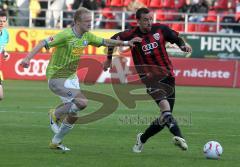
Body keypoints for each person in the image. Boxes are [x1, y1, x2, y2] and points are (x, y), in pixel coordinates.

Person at [21, 7, 142, 151]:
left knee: (74, 113)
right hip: (56, 76)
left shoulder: (87, 37)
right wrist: (27, 58)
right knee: (82, 102)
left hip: (71, 77)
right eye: (87, 21)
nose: (90, 24)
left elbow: (105, 41)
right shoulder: (65, 35)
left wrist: (126, 43)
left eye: (90, 21)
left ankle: (56, 141)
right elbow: (43, 42)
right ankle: (55, 114)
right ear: (77, 22)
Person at [104, 7, 192, 153]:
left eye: (151, 19)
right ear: (138, 21)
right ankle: (179, 137)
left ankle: (142, 139)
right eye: (145, 20)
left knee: (165, 117)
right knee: (165, 110)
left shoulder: (161, 29)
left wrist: (183, 46)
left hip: (168, 77)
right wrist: (108, 59)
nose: (149, 22)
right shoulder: (131, 34)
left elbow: (177, 39)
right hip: (150, 79)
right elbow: (111, 40)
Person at [0, 11, 10, 100]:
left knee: (0, 96)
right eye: (0, 21)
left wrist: (4, 53)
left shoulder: (6, 34)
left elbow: (2, 46)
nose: (1, 23)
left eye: (3, 21)